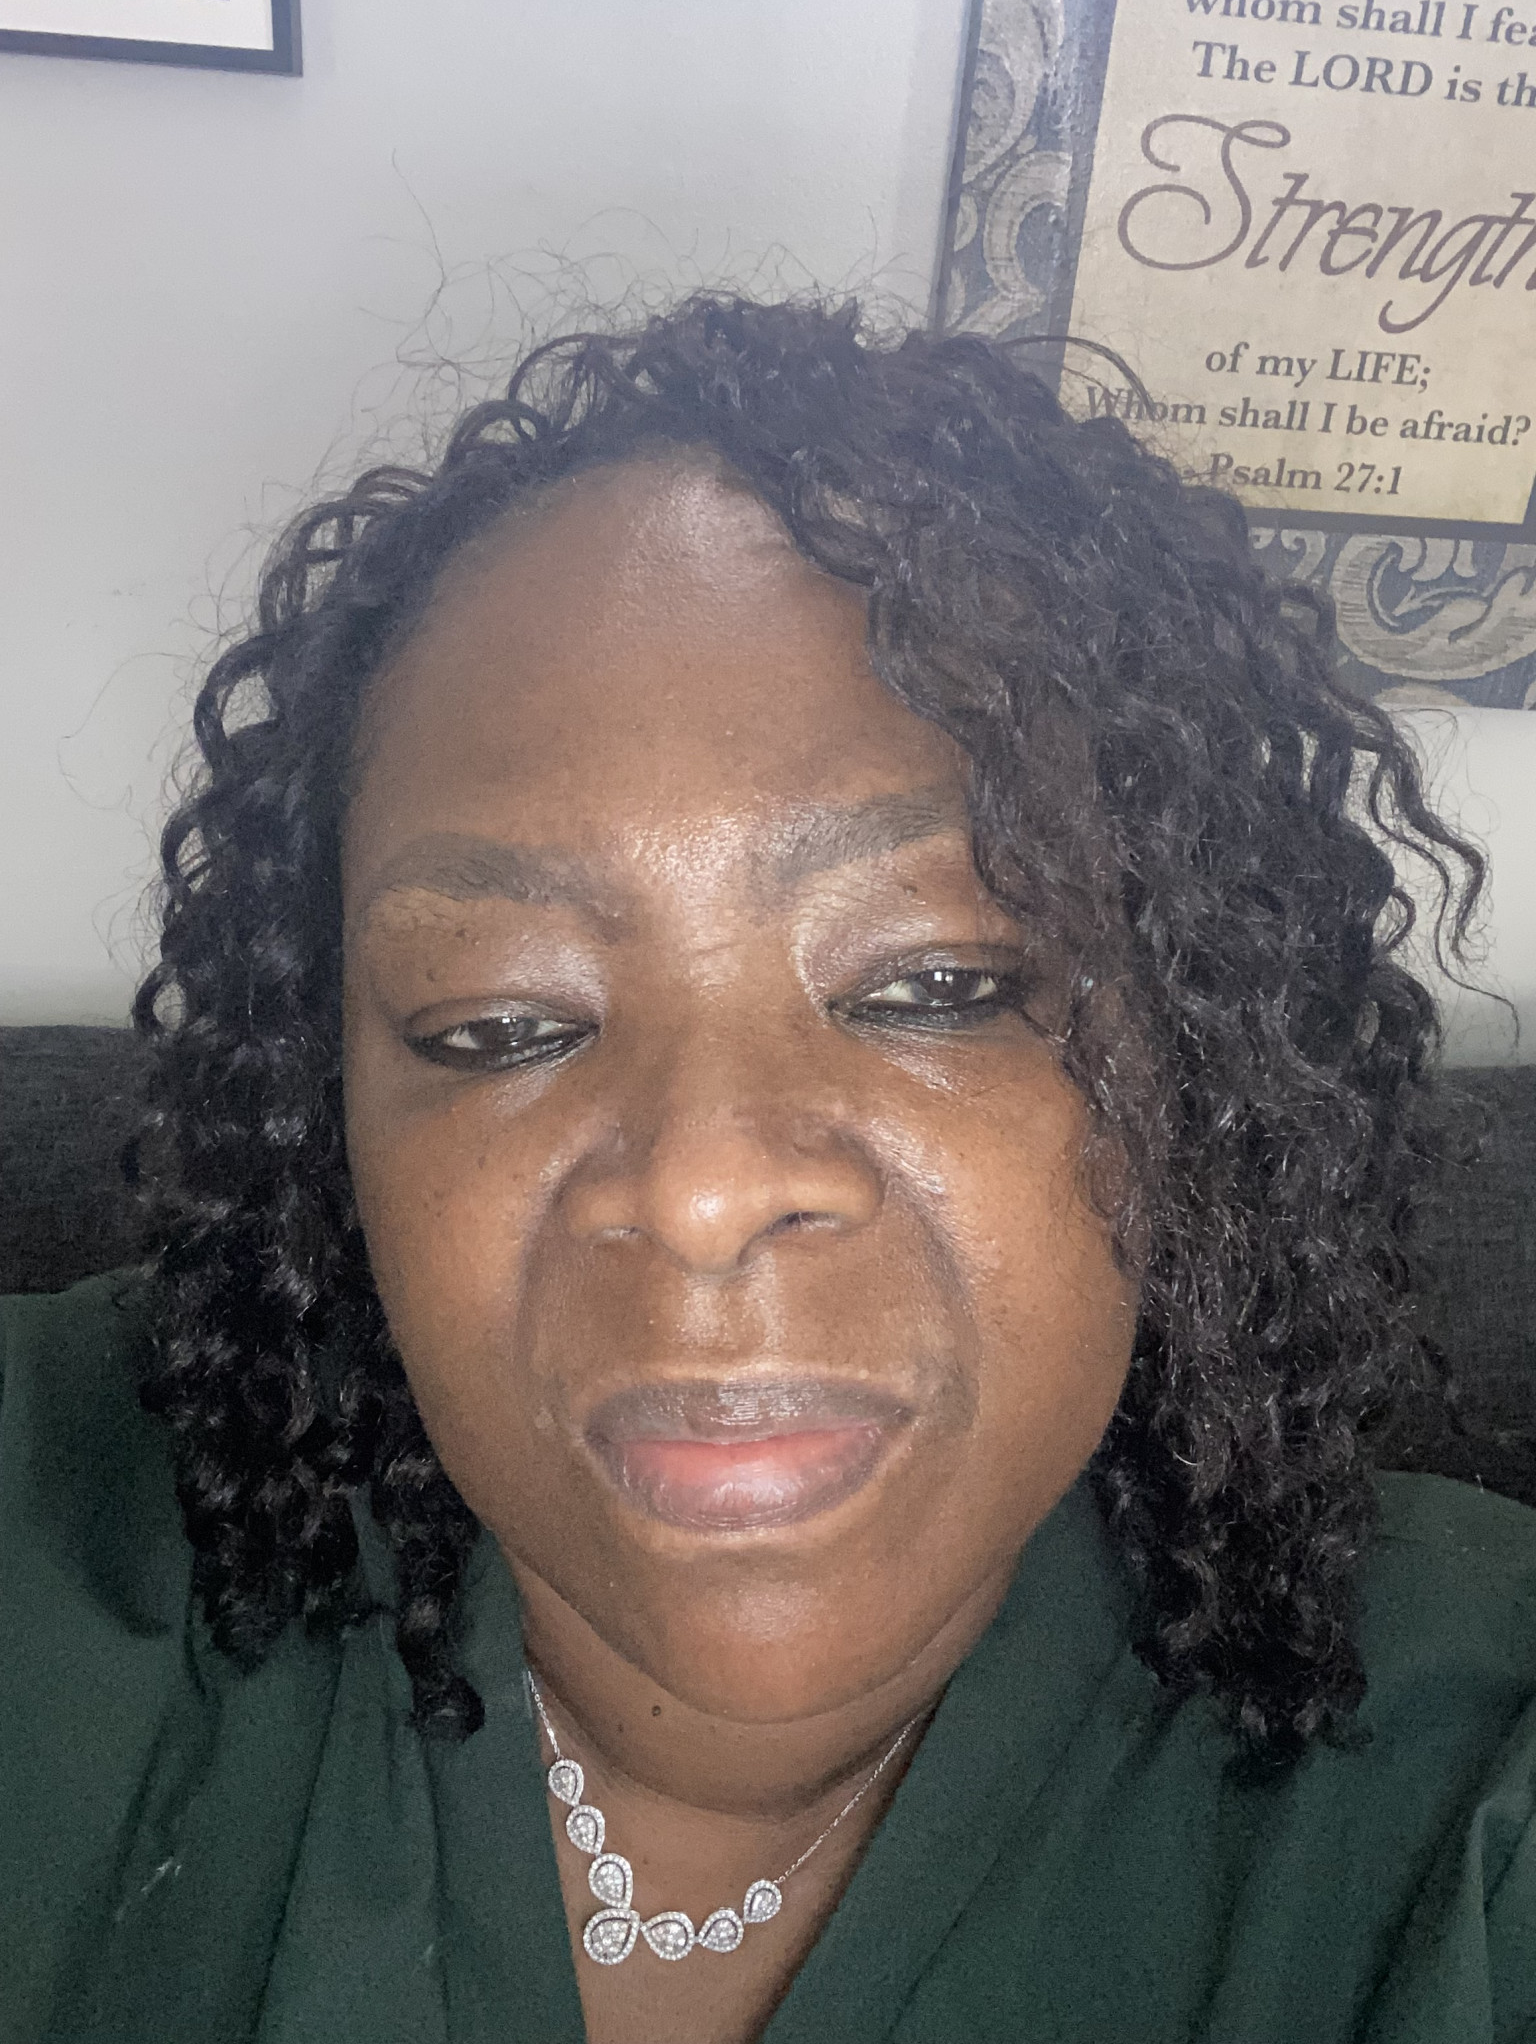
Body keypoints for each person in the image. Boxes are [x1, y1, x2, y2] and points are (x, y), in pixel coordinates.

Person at [2, 294, 1532, 2044]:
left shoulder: (1475, 1796)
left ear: (1199, 1060)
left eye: (936, 985)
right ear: (326, 1111)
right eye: (498, 1021)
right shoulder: (45, 1562)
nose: (703, 1188)